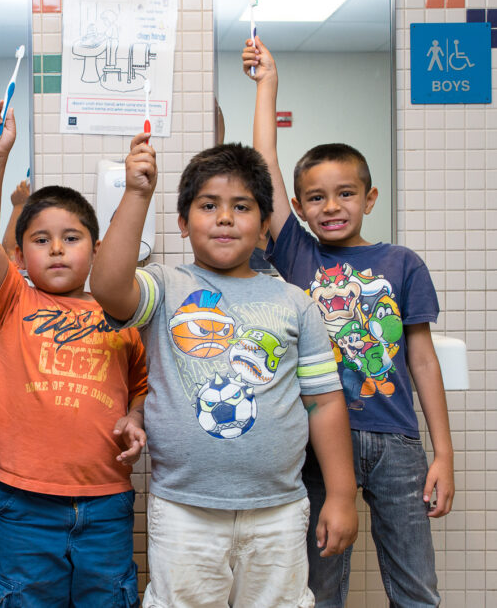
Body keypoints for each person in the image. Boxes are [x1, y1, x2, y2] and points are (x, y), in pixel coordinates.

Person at [90, 133, 359, 606]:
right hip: (184, 509)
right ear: (182, 222)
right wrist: (137, 195)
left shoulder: (294, 303)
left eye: (242, 206)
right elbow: (109, 287)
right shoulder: (165, 286)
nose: (225, 218)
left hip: (278, 510)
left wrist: (340, 494)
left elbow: (323, 402)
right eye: (208, 205)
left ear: (263, 226)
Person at [244, 38, 454, 606]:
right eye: (314, 197)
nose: (330, 206)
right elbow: (263, 165)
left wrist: (443, 453)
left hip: (397, 440)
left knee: (415, 583)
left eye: (345, 194)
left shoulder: (401, 263)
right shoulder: (297, 255)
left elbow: (422, 359)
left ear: (370, 197)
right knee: (319, 583)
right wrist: (268, 85)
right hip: (317, 437)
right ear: (298, 205)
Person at [0, 102, 149, 607]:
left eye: (72, 238)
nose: (58, 250)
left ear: (96, 247)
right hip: (26, 504)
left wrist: (135, 417)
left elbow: (140, 389)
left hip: (107, 502)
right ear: (20, 255)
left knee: (107, 599)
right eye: (41, 240)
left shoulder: (124, 315)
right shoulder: (13, 301)